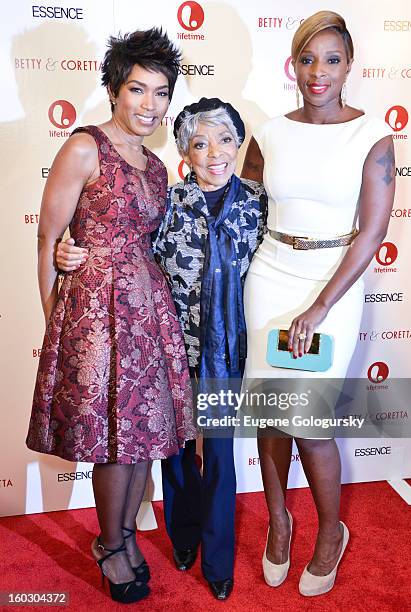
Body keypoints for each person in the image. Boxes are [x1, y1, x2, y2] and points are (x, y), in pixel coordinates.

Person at [56, 97, 267, 600]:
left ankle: (218, 560)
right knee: (173, 453)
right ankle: (185, 536)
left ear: (238, 145)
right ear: (184, 154)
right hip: (170, 345)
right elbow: (121, 244)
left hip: (230, 351)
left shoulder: (259, 202)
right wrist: (70, 247)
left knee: (218, 456)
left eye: (224, 140)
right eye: (200, 143)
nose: (214, 153)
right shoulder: (169, 203)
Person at [26, 29, 197, 604]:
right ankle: (111, 543)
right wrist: (60, 330)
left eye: (160, 92)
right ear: (113, 88)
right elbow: (50, 241)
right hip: (94, 318)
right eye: (137, 89)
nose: (149, 105)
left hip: (147, 310)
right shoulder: (83, 148)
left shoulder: (156, 167)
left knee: (141, 436)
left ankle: (121, 536)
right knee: (111, 443)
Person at [241, 11, 395, 597]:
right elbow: (240, 200)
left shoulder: (372, 135)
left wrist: (319, 308)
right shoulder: (272, 132)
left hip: (333, 284)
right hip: (271, 276)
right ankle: (279, 523)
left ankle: (331, 532)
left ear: (349, 64)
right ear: (294, 64)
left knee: (309, 424)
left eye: (331, 60)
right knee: (271, 416)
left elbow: (372, 234)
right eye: (307, 60)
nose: (318, 73)